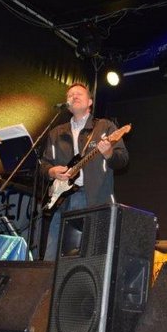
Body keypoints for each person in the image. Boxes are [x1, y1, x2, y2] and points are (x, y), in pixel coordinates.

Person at [39, 83, 128, 260]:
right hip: (61, 201)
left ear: (90, 102)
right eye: (70, 95)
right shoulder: (56, 133)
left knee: (91, 257)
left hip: (93, 198)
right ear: (67, 105)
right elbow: (44, 165)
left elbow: (123, 159)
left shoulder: (104, 127)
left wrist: (109, 153)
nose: (74, 96)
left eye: (79, 93)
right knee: (52, 258)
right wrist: (52, 171)